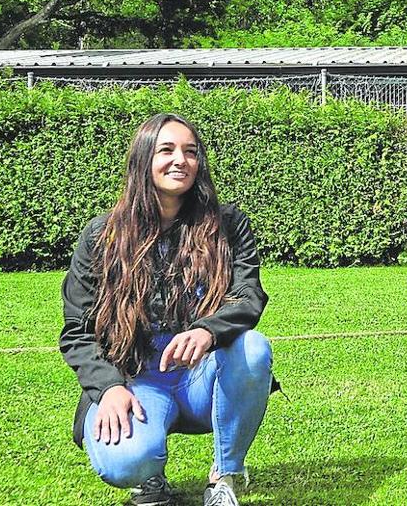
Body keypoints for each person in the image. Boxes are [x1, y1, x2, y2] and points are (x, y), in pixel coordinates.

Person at [60, 113, 273, 506]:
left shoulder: (227, 225)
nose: (181, 160)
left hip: (200, 376)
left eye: (191, 152)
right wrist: (108, 388)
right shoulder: (101, 236)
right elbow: (77, 330)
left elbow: (248, 295)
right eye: (167, 150)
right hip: (136, 377)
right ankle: (150, 479)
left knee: (254, 348)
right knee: (124, 462)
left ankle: (224, 477)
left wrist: (208, 330)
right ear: (143, 159)